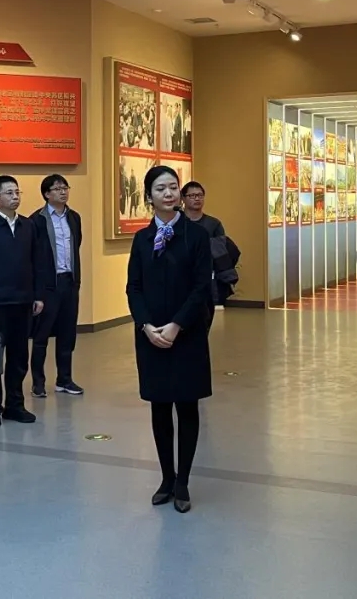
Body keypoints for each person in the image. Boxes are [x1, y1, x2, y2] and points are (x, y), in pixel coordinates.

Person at [126, 166, 213, 514]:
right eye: (161, 188)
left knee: (187, 406)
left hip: (187, 335)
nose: (169, 193)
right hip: (151, 337)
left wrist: (176, 325)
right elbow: (134, 287)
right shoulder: (142, 238)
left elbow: (201, 287)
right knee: (159, 407)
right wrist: (146, 325)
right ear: (149, 196)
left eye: (173, 187)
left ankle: (183, 482)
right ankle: (166, 478)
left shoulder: (196, 235)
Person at [0, 175, 53, 426]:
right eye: (9, 193)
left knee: (18, 358)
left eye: (17, 192)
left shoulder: (29, 226)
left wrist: (38, 295)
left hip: (23, 301)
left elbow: (38, 262)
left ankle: (15, 405)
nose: (15, 197)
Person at [29, 174, 84, 397]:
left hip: (69, 282)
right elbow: (32, 256)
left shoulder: (74, 217)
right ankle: (38, 382)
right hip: (48, 286)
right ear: (46, 194)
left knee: (67, 334)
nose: (63, 192)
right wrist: (36, 291)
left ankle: (65, 379)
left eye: (65, 187)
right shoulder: (36, 220)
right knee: (41, 336)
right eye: (57, 188)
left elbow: (77, 244)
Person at [181, 181, 239, 309]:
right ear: (183, 198)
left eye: (200, 195)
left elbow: (222, 251)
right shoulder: (177, 223)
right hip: (182, 277)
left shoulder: (213, 224)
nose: (197, 199)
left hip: (208, 277)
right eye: (192, 196)